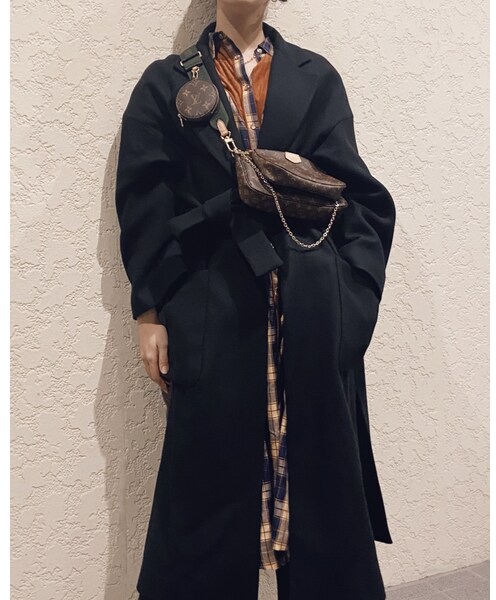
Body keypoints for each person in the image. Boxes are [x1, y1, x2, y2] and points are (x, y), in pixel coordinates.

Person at [115, 1, 396, 599]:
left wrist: (350, 304)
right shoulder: (167, 82)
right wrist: (150, 310)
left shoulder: (315, 77)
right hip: (213, 317)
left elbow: (361, 201)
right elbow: (144, 205)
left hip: (312, 319)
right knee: (205, 510)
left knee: (323, 505)